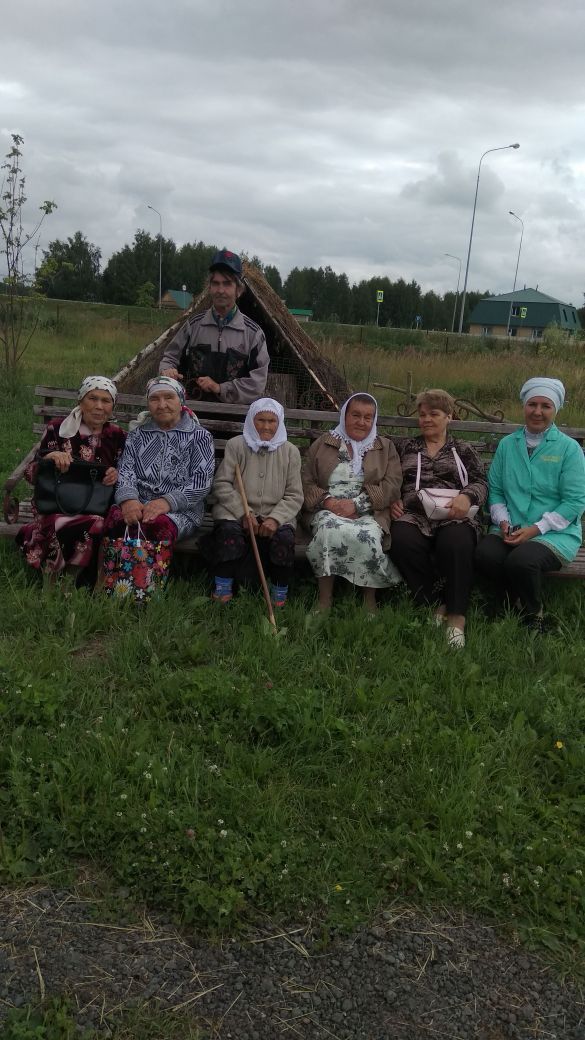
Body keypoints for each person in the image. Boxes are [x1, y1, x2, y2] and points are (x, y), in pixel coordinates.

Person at [475, 377, 585, 630]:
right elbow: (497, 492)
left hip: (555, 533)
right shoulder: (507, 445)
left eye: (545, 406)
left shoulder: (569, 449)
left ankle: (534, 614)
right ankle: (507, 601)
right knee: (484, 555)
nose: (537, 412)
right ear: (524, 406)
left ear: (555, 409)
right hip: (511, 527)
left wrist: (535, 530)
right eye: (532, 404)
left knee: (522, 561)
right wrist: (503, 521)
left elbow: (575, 501)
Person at [389, 389, 487, 648]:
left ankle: (456, 617)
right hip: (414, 514)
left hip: (454, 514)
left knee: (457, 542)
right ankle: (435, 601)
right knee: (399, 539)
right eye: (422, 415)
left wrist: (467, 497)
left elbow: (480, 481)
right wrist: (392, 500)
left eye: (434, 414)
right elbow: (389, 478)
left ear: (448, 417)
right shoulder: (406, 447)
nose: (427, 420)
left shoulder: (462, 449)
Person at [16, 376, 125, 583]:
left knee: (98, 523)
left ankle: (70, 577)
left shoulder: (117, 435)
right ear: (80, 401)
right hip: (55, 504)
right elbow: (30, 473)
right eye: (92, 398)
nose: (99, 406)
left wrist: (116, 474)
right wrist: (49, 458)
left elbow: (127, 473)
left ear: (113, 407)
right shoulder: (58, 429)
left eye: (106, 400)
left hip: (97, 506)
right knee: (58, 523)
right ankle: (52, 576)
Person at [302, 392, 402, 613]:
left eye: (368, 417)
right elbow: (306, 479)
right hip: (327, 508)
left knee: (369, 535)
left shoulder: (385, 447)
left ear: (374, 420)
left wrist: (356, 505)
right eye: (355, 415)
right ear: (344, 415)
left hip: (369, 510)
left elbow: (393, 484)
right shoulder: (324, 443)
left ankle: (369, 600)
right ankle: (325, 600)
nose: (361, 422)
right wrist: (329, 503)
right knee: (328, 529)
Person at [208, 398, 303, 606]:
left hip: (276, 513)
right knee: (229, 534)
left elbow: (295, 495)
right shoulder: (236, 445)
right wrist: (244, 513)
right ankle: (222, 589)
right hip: (234, 511)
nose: (266, 426)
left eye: (272, 421)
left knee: (284, 540)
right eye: (261, 420)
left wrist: (275, 519)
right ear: (251, 421)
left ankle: (279, 595)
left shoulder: (290, 452)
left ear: (280, 423)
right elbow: (222, 484)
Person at [104, 376, 214, 550]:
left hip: (180, 510)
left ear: (181, 400)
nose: (162, 405)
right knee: (117, 520)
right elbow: (125, 470)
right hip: (138, 502)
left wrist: (166, 502)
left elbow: (201, 481)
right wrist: (129, 501)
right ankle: (113, 575)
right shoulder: (137, 435)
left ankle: (146, 576)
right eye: (154, 399)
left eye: (169, 397)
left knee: (156, 526)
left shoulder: (199, 437)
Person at [159, 249, 269, 403]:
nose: (220, 290)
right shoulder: (193, 325)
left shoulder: (253, 334)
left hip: (234, 420)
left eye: (227, 284)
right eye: (215, 283)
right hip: (195, 417)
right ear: (209, 287)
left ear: (238, 290)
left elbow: (257, 383)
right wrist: (167, 370)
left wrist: (220, 388)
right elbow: (169, 357)